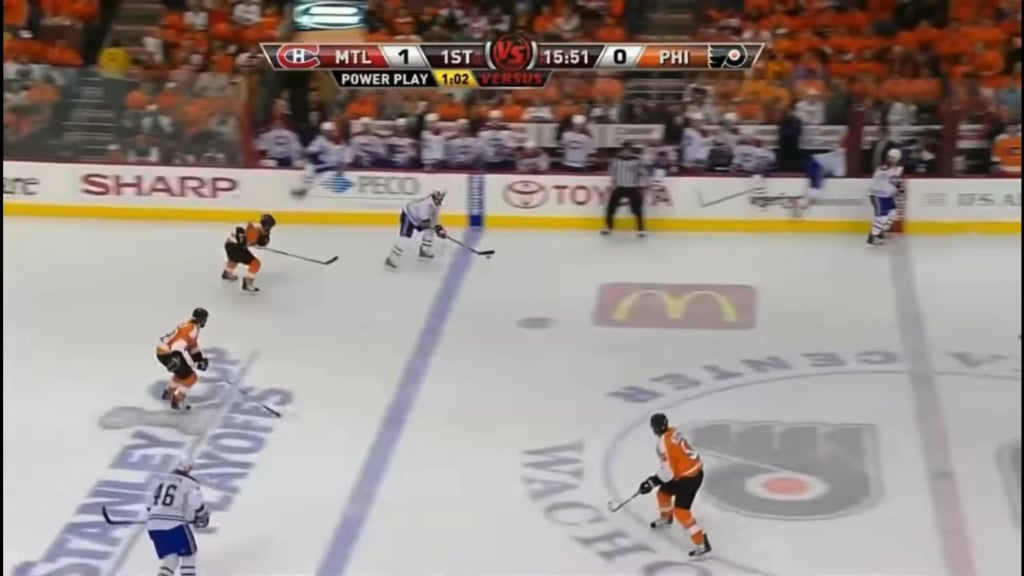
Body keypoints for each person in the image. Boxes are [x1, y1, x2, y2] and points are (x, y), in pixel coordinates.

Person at [638, 413, 712, 558]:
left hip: (690, 478)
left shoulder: (663, 444)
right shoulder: (673, 431)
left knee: (681, 512)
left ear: (654, 428)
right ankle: (666, 518)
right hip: (688, 473)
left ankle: (701, 542)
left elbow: (668, 473)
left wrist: (652, 482)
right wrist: (655, 481)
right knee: (663, 494)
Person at [146, 457, 210, 576]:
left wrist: (157, 517)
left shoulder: (160, 480)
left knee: (171, 559)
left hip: (154, 525)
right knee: (189, 556)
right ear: (189, 468)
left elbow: (149, 505)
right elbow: (195, 501)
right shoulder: (190, 483)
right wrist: (202, 515)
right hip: (175, 525)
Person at [155, 308, 209, 411]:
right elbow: (179, 345)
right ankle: (177, 400)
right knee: (191, 377)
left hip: (162, 351)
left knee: (182, 374)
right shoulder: (192, 329)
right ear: (202, 319)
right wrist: (194, 363)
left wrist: (199, 359)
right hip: (169, 353)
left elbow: (191, 345)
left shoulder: (190, 325)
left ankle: (169, 393)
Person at [385, 190, 448, 269]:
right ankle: (391, 258)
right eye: (439, 197)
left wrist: (440, 229)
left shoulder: (437, 205)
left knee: (430, 230)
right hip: (409, 217)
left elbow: (435, 218)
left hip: (418, 219)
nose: (441, 199)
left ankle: (424, 250)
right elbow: (425, 222)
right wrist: (437, 230)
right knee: (405, 239)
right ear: (435, 197)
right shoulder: (425, 205)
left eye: (442, 197)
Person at [603, 141, 647, 237]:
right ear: (622, 150)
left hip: (632, 188)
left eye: (628, 150)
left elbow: (643, 173)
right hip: (619, 187)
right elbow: (612, 171)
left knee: (637, 209)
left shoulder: (637, 160)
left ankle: (641, 229)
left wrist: (641, 185)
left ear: (631, 150)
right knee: (610, 208)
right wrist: (613, 181)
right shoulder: (616, 160)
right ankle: (608, 227)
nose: (626, 152)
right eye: (624, 150)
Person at [223, 214, 276, 292]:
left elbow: (248, 240)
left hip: (229, 245)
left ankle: (227, 272)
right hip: (235, 247)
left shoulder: (255, 226)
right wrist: (247, 243)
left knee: (234, 259)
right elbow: (246, 239)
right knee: (255, 263)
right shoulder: (255, 229)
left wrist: (247, 243)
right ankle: (247, 283)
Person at [867, 148, 903, 246]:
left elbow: (894, 181)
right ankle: (872, 238)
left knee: (892, 213)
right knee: (882, 217)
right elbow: (886, 175)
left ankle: (879, 232)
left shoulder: (897, 169)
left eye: (894, 158)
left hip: (887, 195)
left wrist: (898, 188)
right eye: (890, 157)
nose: (892, 159)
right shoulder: (883, 167)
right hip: (877, 195)